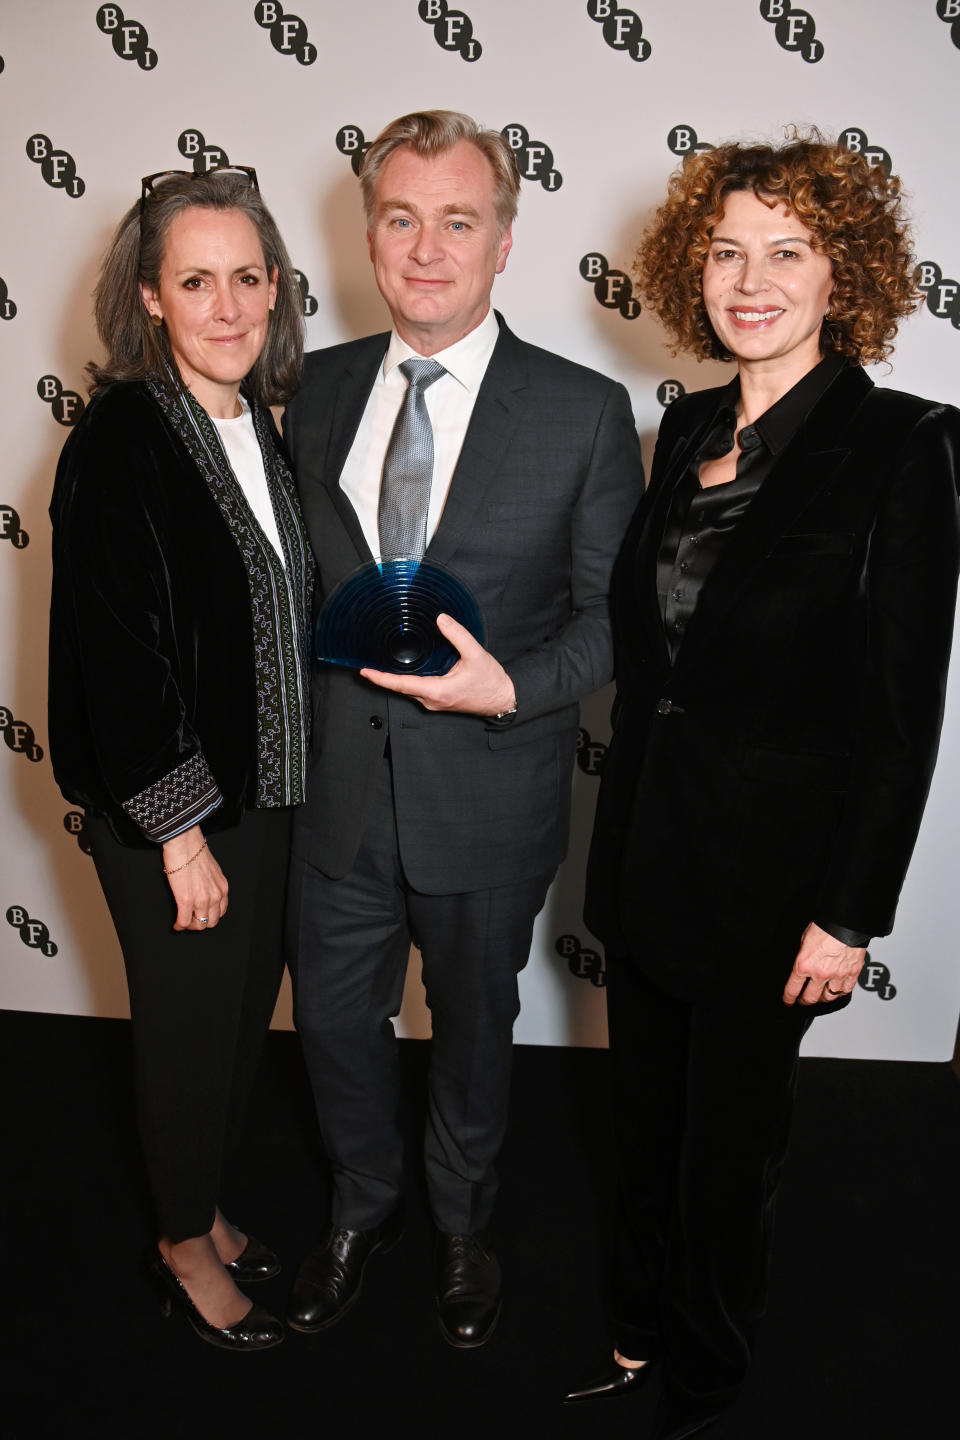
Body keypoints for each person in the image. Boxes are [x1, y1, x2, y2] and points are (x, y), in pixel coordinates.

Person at [564, 135, 960, 1439]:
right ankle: (632, 1335)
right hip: (647, 854)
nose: (753, 279)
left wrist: (850, 914)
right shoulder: (682, 425)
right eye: (729, 248)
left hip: (777, 883)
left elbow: (905, 714)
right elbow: (652, 656)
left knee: (727, 1158)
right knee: (639, 1126)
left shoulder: (906, 447)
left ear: (842, 274)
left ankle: (706, 1379)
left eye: (787, 250)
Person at [284, 109, 642, 1348]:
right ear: (368, 232)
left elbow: (615, 623)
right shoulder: (314, 390)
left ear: (503, 240)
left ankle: (463, 1227)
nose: (426, 249)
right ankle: (361, 1207)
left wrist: (509, 689)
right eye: (401, 218)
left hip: (490, 792)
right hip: (336, 795)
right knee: (332, 1027)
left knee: (475, 1037)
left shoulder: (586, 414)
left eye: (458, 221)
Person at [48, 166, 313, 1351]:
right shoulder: (122, 435)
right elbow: (119, 652)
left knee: (238, 1017)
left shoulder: (257, 419)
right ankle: (179, 1243)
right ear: (149, 296)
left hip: (264, 796)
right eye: (195, 280)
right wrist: (180, 831)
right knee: (186, 1030)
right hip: (177, 817)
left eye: (247, 277)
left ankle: (201, 1203)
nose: (227, 305)